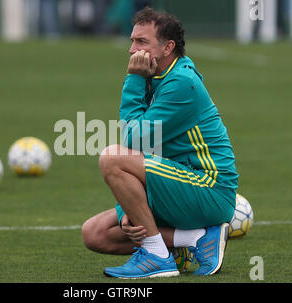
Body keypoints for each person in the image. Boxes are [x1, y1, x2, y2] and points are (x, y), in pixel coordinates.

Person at [81, 7, 239, 279]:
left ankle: (156, 255)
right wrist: (126, 212)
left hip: (209, 188)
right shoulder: (157, 77)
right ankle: (195, 240)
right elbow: (145, 155)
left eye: (141, 42)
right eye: (132, 41)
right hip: (176, 184)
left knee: (112, 157)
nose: (132, 50)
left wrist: (133, 80)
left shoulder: (181, 82)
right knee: (94, 234)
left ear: (168, 47)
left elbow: (135, 141)